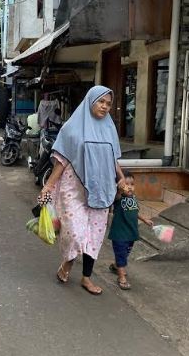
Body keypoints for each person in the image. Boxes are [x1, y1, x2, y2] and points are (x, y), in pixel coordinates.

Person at [40, 85, 126, 295]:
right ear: (90, 101)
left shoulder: (109, 128)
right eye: (101, 102)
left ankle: (86, 278)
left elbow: (112, 158)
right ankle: (68, 262)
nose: (105, 107)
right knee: (75, 233)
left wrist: (122, 178)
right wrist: (49, 185)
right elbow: (61, 160)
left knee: (95, 235)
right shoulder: (72, 127)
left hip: (101, 189)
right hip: (74, 186)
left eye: (108, 103)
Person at [108, 171, 153, 290]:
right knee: (121, 253)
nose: (130, 187)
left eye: (132, 184)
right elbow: (116, 195)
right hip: (119, 233)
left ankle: (116, 266)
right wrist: (119, 189)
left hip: (131, 232)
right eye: (126, 184)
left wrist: (145, 220)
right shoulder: (118, 198)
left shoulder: (133, 198)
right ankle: (121, 277)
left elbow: (135, 211)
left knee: (125, 253)